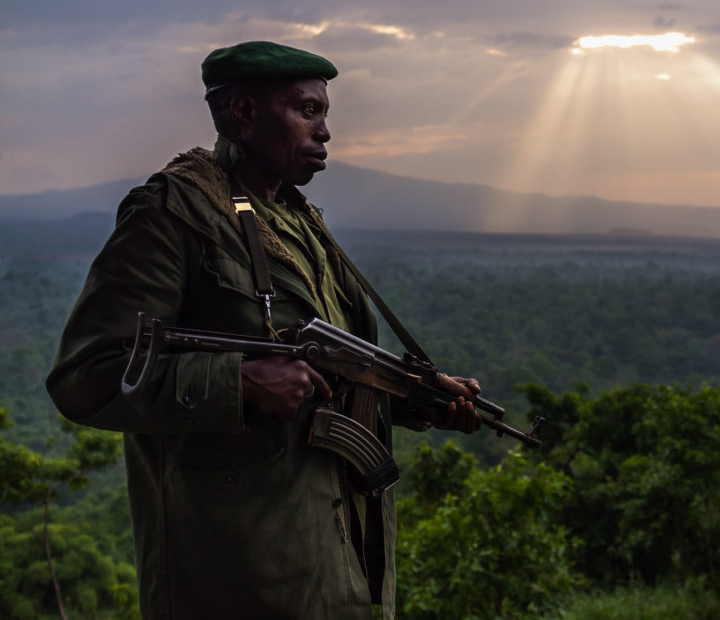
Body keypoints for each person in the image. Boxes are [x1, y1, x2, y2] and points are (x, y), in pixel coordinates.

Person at [46, 41, 481, 620]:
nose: (324, 131)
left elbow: (329, 372)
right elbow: (87, 377)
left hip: (343, 563)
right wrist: (239, 382)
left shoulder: (303, 222)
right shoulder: (173, 212)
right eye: (306, 111)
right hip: (240, 572)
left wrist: (418, 399)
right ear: (243, 113)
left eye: (324, 113)